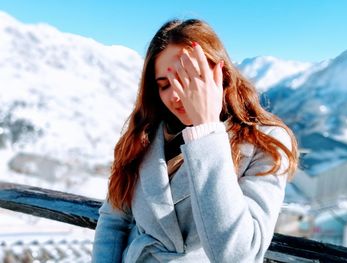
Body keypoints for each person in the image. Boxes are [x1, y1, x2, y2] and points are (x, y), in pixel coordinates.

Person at [92, 18, 298, 263]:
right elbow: (113, 221)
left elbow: (239, 255)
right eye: (165, 84)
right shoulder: (145, 135)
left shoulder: (266, 142)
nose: (177, 95)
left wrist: (206, 130)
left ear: (220, 74)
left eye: (188, 77)